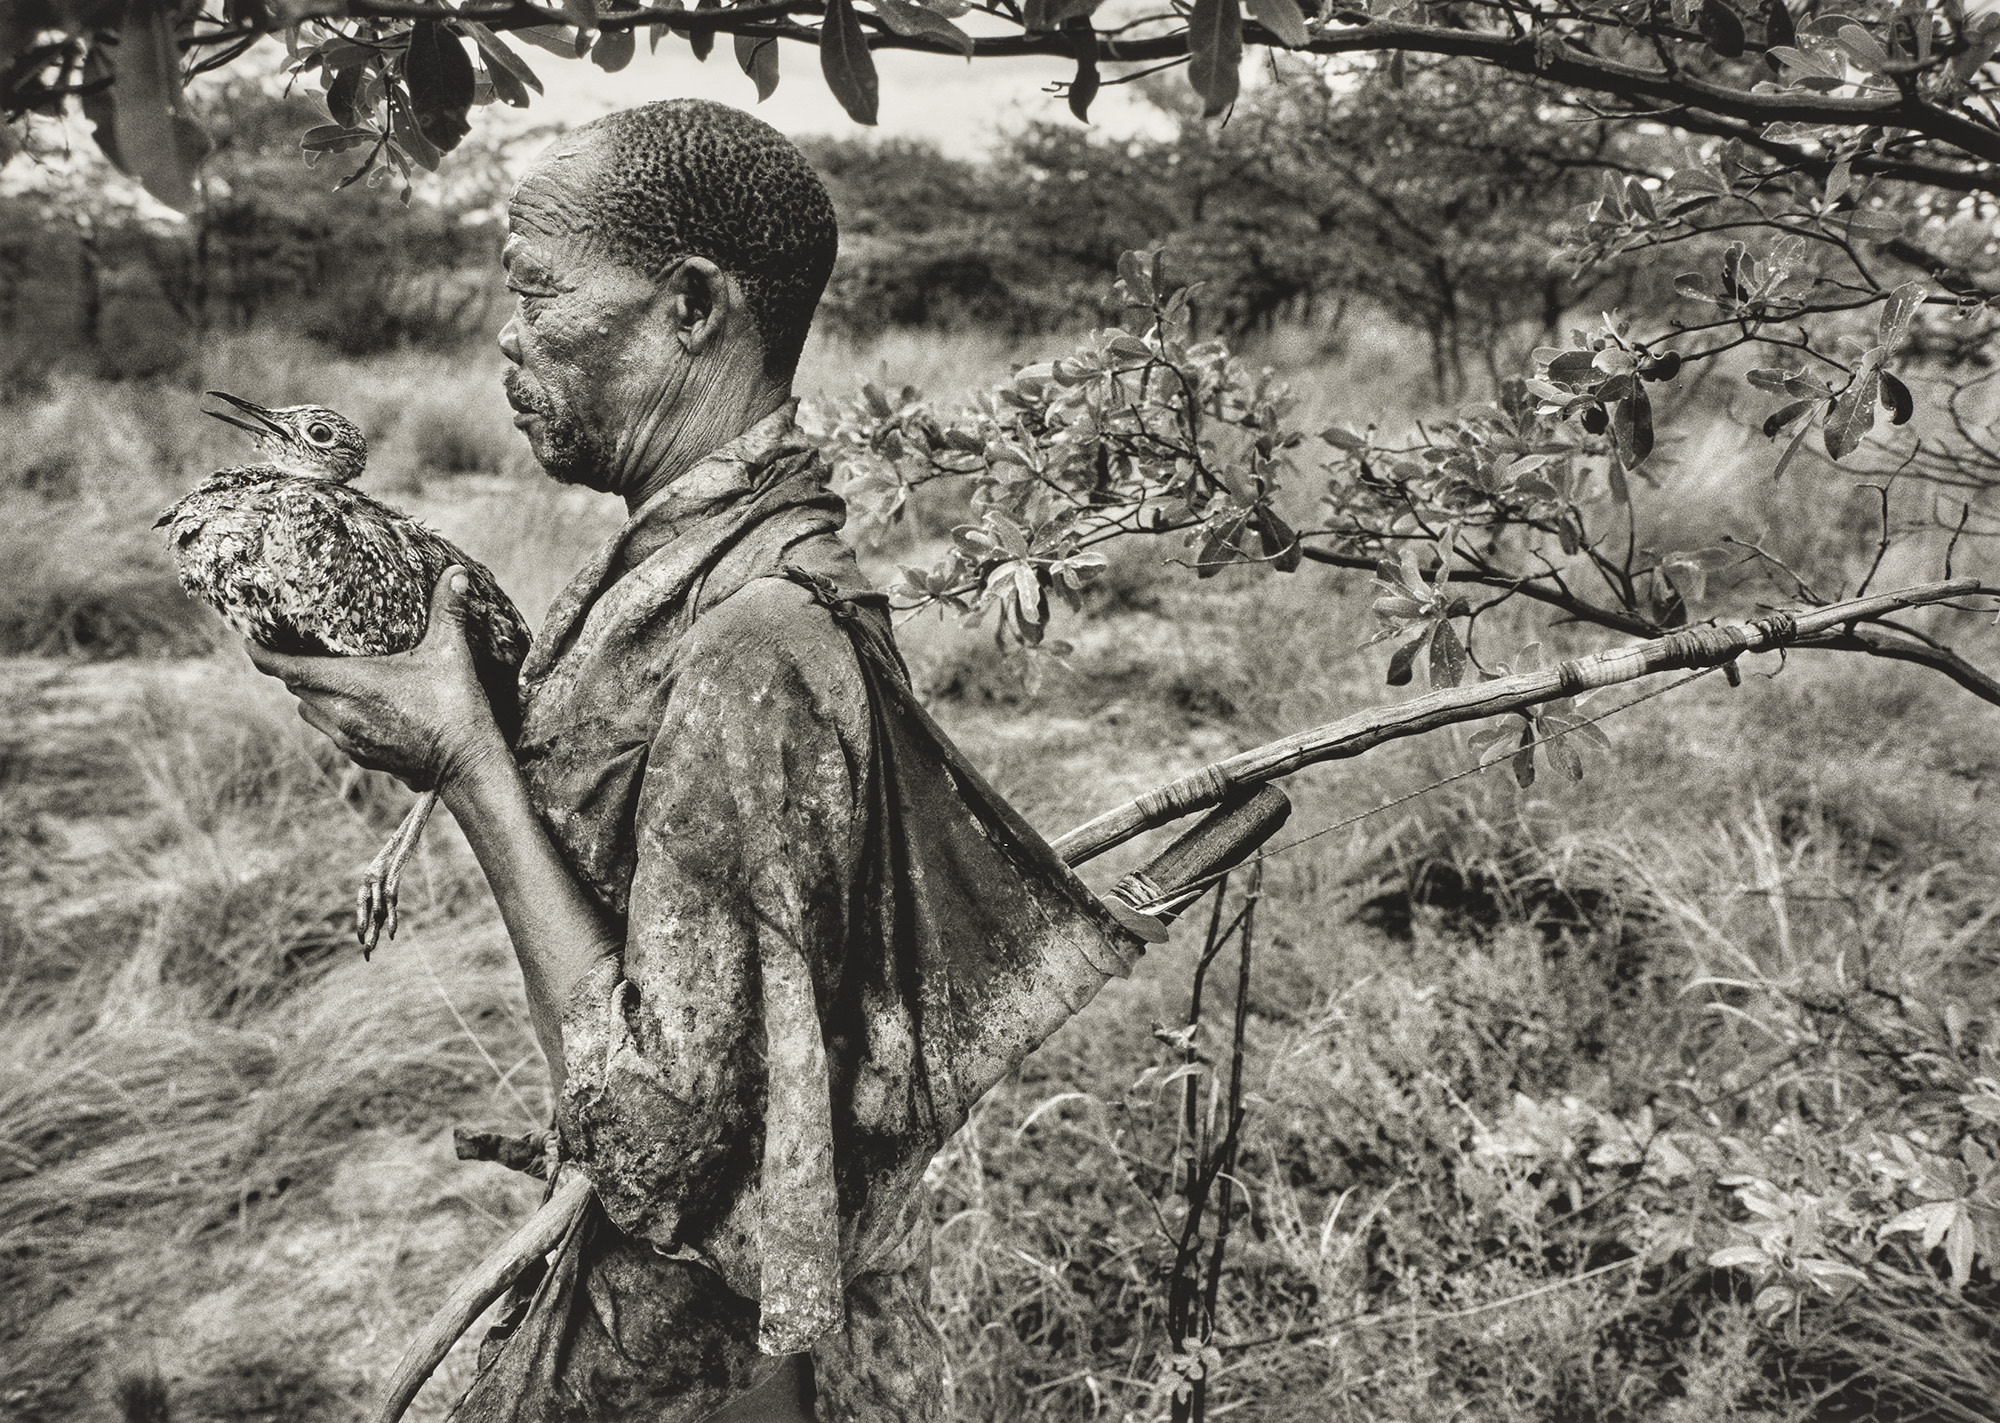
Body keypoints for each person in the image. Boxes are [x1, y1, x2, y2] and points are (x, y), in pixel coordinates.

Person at [247, 99, 1142, 1421]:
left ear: (692, 305)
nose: (507, 332)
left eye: (539, 289)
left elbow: (666, 1152)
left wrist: (467, 767)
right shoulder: (695, 558)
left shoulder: (759, 636)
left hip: (665, 1347)